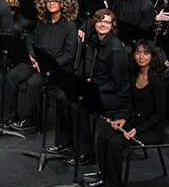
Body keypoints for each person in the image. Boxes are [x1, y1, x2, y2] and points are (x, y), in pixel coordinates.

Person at [84, 40, 168, 187]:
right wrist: (124, 119)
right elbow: (132, 101)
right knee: (103, 136)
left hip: (152, 129)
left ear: (152, 56)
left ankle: (114, 185)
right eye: (138, 52)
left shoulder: (157, 82)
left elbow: (160, 115)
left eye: (145, 53)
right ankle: (104, 176)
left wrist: (137, 130)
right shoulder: (136, 74)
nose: (141, 56)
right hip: (136, 121)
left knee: (115, 143)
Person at [52, 9, 129, 163]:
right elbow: (86, 64)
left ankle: (86, 154)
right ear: (94, 23)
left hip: (116, 94)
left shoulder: (115, 49)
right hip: (96, 86)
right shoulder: (94, 40)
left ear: (112, 26)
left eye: (107, 22)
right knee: (62, 97)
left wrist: (90, 90)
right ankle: (67, 142)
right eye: (100, 21)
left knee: (80, 105)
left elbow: (115, 83)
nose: (103, 25)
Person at [4, 0, 79, 129]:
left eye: (55, 1)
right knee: (12, 75)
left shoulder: (70, 26)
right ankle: (12, 115)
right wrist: (32, 58)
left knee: (33, 83)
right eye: (49, 1)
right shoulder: (42, 21)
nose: (51, 3)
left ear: (63, 4)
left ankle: (29, 119)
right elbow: (35, 43)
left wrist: (49, 65)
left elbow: (69, 54)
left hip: (55, 66)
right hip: (37, 60)